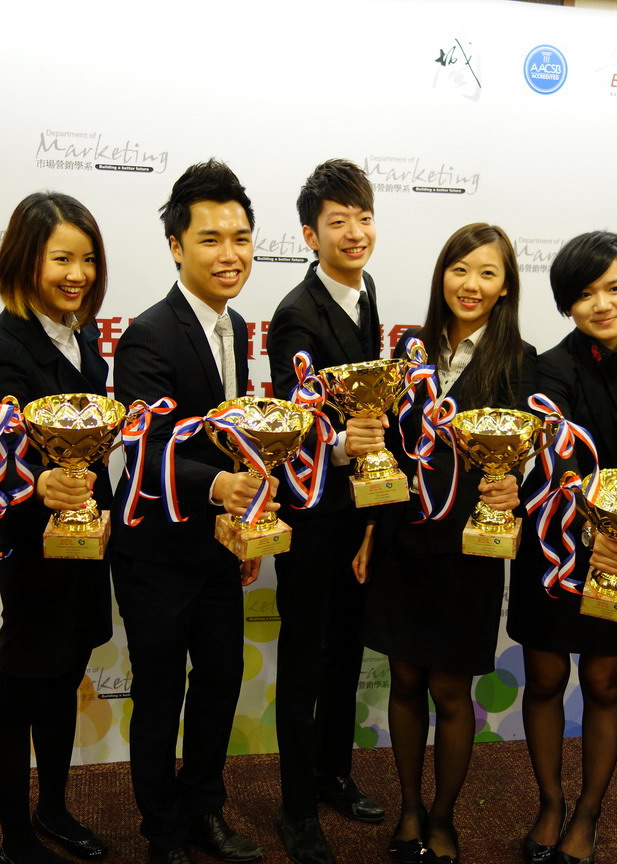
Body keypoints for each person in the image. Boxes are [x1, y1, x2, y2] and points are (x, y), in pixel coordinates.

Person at [355, 223, 536, 864]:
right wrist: (370, 531)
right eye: (460, 269)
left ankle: (442, 817)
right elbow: (386, 448)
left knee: (451, 691)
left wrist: (514, 487)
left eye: (488, 272)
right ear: (442, 276)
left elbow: (534, 458)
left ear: (506, 286)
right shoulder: (408, 350)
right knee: (405, 681)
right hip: (402, 539)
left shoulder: (521, 361)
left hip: (468, 548)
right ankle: (409, 809)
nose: (471, 284)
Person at [110, 160, 267, 864]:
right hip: (156, 551)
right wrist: (218, 488)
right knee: (160, 694)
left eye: (240, 237)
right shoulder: (148, 334)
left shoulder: (238, 326)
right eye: (210, 239)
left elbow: (230, 436)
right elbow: (145, 450)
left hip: (217, 546)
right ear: (176, 246)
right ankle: (164, 832)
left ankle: (205, 808)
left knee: (221, 682)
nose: (229, 254)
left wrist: (243, 520)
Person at [506, 231, 617, 864]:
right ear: (566, 305)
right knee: (546, 677)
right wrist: (594, 531)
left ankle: (588, 813)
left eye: (615, 288)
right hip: (556, 545)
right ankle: (550, 803)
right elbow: (560, 466)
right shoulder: (548, 367)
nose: (602, 304)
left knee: (605, 682)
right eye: (584, 295)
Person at [0, 192, 113, 864]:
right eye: (62, 259)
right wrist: (37, 486)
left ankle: (53, 808)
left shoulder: (81, 334)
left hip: (87, 542)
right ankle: (14, 840)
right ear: (26, 260)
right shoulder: (3, 351)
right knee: (20, 694)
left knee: (63, 683)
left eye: (87, 259)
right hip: (34, 551)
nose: (77, 274)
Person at [267, 158, 387, 864]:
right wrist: (342, 446)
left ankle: (333, 772)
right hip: (311, 518)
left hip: (358, 516)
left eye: (364, 218)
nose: (355, 232)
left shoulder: (368, 294)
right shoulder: (295, 315)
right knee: (306, 661)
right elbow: (294, 427)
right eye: (338, 221)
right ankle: (295, 808)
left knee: (347, 651)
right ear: (310, 235)